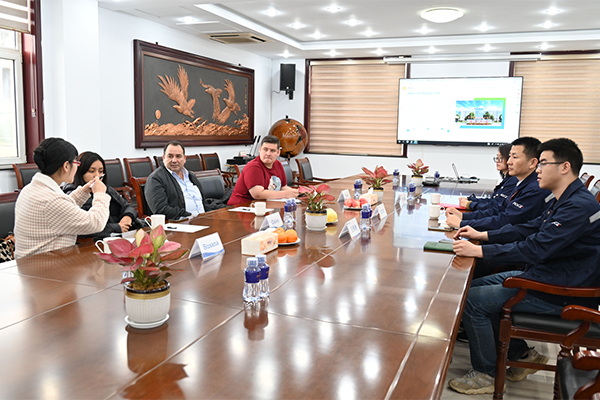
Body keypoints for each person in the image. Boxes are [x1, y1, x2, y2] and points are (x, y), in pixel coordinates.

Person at [448, 138, 600, 395]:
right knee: (471, 289)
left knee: (472, 301)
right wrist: (483, 235)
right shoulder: (565, 198)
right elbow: (528, 228)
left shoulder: (578, 206)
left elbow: (535, 248)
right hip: (546, 274)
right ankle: (521, 354)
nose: (537, 169)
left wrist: (480, 250)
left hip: (561, 290)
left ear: (565, 167)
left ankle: (485, 374)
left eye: (543, 163)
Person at [14, 138, 110, 258]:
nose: (77, 168)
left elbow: (62, 209)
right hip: (47, 266)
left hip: (29, 263)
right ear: (66, 166)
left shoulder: (30, 189)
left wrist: (84, 191)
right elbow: (96, 223)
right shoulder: (51, 201)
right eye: (76, 163)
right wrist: (100, 194)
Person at [446, 137, 552, 231]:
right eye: (509, 156)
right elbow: (499, 209)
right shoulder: (522, 183)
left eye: (514, 157)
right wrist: (463, 217)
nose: (509, 162)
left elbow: (506, 220)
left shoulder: (535, 189)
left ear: (533, 163)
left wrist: (463, 223)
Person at [63, 152, 142, 239]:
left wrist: (127, 217)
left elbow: (127, 206)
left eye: (101, 171)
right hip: (96, 240)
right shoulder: (74, 195)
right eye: (92, 171)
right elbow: (85, 229)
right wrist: (117, 227)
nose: (97, 176)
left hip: (120, 235)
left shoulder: (106, 188)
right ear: (81, 172)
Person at [145, 141, 209, 220]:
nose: (174, 160)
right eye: (170, 156)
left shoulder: (191, 176)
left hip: (204, 219)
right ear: (164, 158)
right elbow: (160, 209)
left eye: (178, 156)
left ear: (184, 159)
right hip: (180, 223)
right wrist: (189, 215)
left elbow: (203, 202)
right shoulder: (155, 179)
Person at [228, 135, 299, 205]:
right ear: (260, 149)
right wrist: (285, 194)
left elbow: (283, 188)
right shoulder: (254, 167)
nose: (268, 154)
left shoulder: (278, 164)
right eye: (265, 149)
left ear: (278, 153)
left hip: (264, 205)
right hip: (240, 207)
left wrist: (297, 192)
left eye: (272, 151)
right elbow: (258, 194)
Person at [458, 143, 517, 212]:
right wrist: (471, 200)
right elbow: (493, 201)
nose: (497, 161)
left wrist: (469, 204)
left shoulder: (514, 180)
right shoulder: (508, 179)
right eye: (497, 157)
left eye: (501, 158)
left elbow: (496, 206)